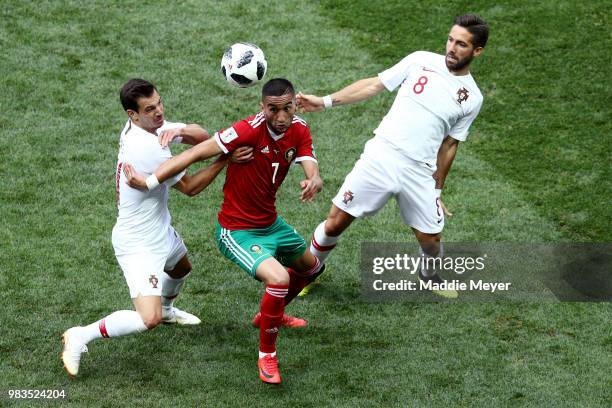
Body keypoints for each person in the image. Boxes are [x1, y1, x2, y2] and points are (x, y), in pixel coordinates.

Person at [125, 78, 324, 384]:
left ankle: (271, 314)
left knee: (312, 267)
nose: (281, 117)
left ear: (295, 105)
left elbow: (307, 157)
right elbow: (193, 154)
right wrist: (149, 182)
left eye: (287, 109)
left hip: (271, 223)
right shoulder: (246, 129)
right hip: (237, 230)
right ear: (262, 106)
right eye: (274, 110)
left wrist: (314, 178)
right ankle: (266, 356)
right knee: (280, 278)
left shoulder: (299, 127)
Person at [61, 79, 252, 377]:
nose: (160, 112)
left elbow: (202, 137)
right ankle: (81, 335)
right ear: (132, 115)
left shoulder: (150, 126)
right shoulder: (147, 147)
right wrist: (225, 159)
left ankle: (167, 311)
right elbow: (190, 187)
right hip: (138, 243)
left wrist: (181, 130)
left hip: (158, 230)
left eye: (160, 103)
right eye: (151, 109)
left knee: (180, 268)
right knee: (145, 319)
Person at [297, 14, 489, 298]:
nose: (451, 47)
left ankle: (428, 274)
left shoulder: (472, 98)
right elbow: (374, 84)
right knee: (336, 221)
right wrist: (325, 101)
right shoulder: (420, 60)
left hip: (420, 172)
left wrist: (437, 189)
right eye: (450, 39)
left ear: (477, 51)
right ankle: (309, 271)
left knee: (431, 241)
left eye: (461, 44)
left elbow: (450, 144)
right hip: (382, 156)